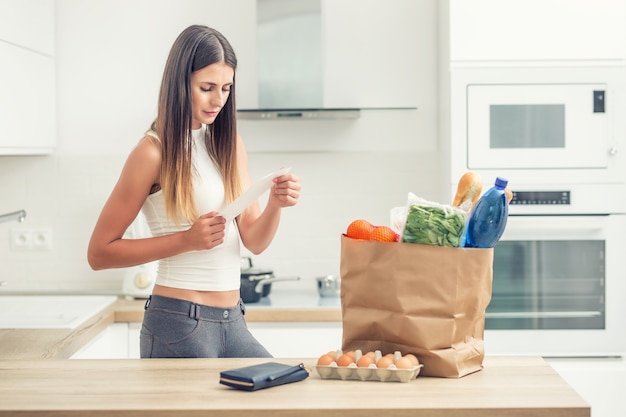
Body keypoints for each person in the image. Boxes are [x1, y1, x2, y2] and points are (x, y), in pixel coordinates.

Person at [87, 25, 301, 358]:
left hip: (234, 321)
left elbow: (255, 242)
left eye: (227, 88)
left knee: (276, 397)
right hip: (178, 322)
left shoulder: (228, 145)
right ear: (180, 83)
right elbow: (99, 253)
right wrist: (185, 240)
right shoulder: (152, 152)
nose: (219, 100)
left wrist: (275, 204)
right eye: (207, 87)